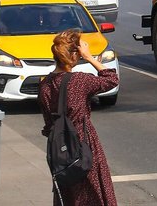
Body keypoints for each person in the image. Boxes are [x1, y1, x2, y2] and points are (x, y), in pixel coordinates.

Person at [39, 30, 118, 205]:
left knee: (68, 195)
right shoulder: (79, 81)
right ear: (76, 55)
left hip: (59, 149)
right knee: (93, 192)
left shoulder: (44, 85)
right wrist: (90, 57)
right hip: (84, 143)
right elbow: (111, 78)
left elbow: (47, 125)